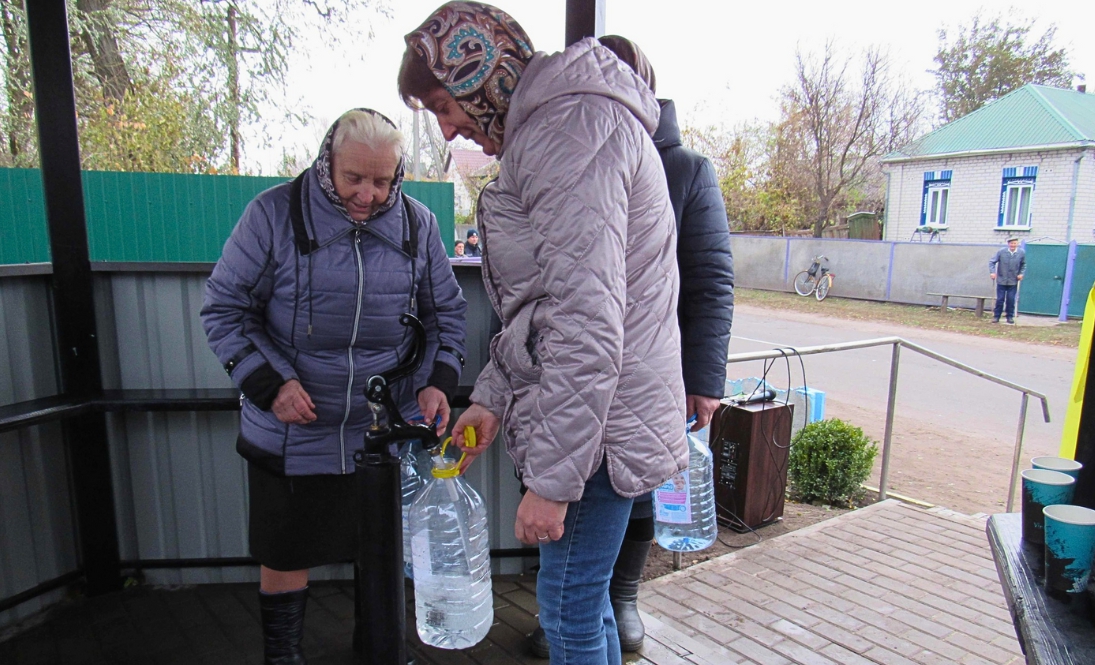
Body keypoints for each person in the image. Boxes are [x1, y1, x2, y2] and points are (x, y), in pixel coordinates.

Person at [399, 4, 687, 664]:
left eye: (445, 106)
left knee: (566, 604)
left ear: (481, 70)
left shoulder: (569, 132)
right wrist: (491, 398)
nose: (448, 130)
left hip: (600, 433)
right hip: (608, 420)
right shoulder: (559, 128)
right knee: (584, 602)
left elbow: (587, 325)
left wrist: (555, 481)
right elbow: (545, 309)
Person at [201, 108, 467, 664]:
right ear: (328, 162)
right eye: (354, 178)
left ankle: (376, 650)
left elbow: (445, 315)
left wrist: (437, 382)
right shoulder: (272, 215)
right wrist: (270, 385)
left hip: (379, 432)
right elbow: (224, 310)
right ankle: (284, 655)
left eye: (383, 180)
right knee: (285, 548)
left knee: (380, 551)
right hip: (290, 429)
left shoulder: (418, 225)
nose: (369, 195)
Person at [527, 35, 736, 657]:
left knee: (628, 499)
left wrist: (704, 380)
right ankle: (605, 604)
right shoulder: (564, 148)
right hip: (582, 386)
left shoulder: (684, 167)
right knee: (580, 581)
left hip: (644, 373)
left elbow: (711, 279)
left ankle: (625, 595)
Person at [989, 236, 1026, 324]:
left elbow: (1023, 265)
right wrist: (992, 272)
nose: (1013, 245)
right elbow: (992, 262)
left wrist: (1021, 274)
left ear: (1017, 244)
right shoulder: (1002, 252)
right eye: (1011, 243)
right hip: (1001, 280)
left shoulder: (1021, 252)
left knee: (1011, 299)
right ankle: (996, 316)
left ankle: (1010, 316)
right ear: (1008, 244)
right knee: (1000, 299)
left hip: (1013, 280)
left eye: (1014, 243)